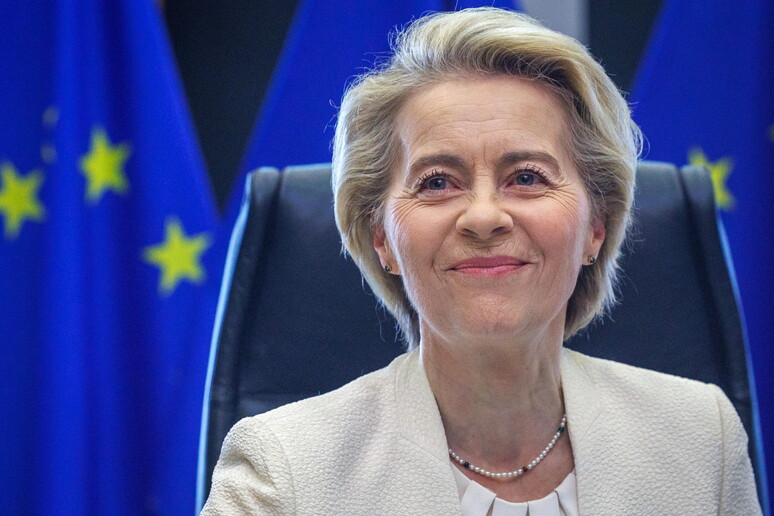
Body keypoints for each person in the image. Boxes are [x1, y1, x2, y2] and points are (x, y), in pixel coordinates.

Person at [202, 8, 762, 515]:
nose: (484, 216)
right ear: (381, 239)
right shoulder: (284, 471)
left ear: (596, 227)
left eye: (527, 177)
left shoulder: (702, 439)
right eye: (437, 182)